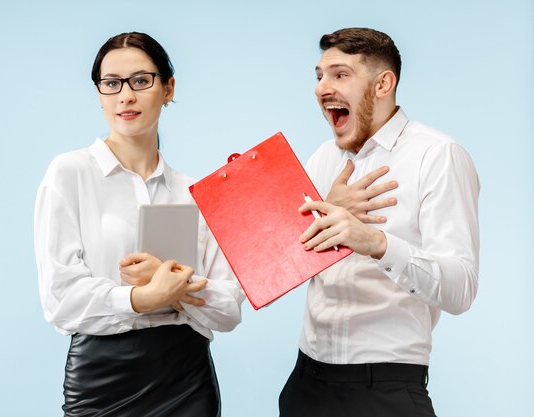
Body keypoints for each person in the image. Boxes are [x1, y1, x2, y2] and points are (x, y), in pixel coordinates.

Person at [34, 32, 244, 417]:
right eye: (111, 84)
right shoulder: (70, 173)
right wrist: (140, 298)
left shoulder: (195, 192)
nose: (125, 96)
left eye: (141, 81)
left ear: (168, 88)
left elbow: (228, 310)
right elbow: (59, 298)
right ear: (99, 94)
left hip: (186, 380)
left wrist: (171, 285)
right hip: (102, 379)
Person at [279, 27, 480, 417]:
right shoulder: (323, 157)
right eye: (318, 76)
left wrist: (376, 243)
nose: (322, 88)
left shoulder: (438, 156)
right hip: (305, 383)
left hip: (385, 389)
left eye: (340, 74)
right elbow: (280, 263)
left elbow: (461, 289)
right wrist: (324, 213)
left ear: (383, 83)